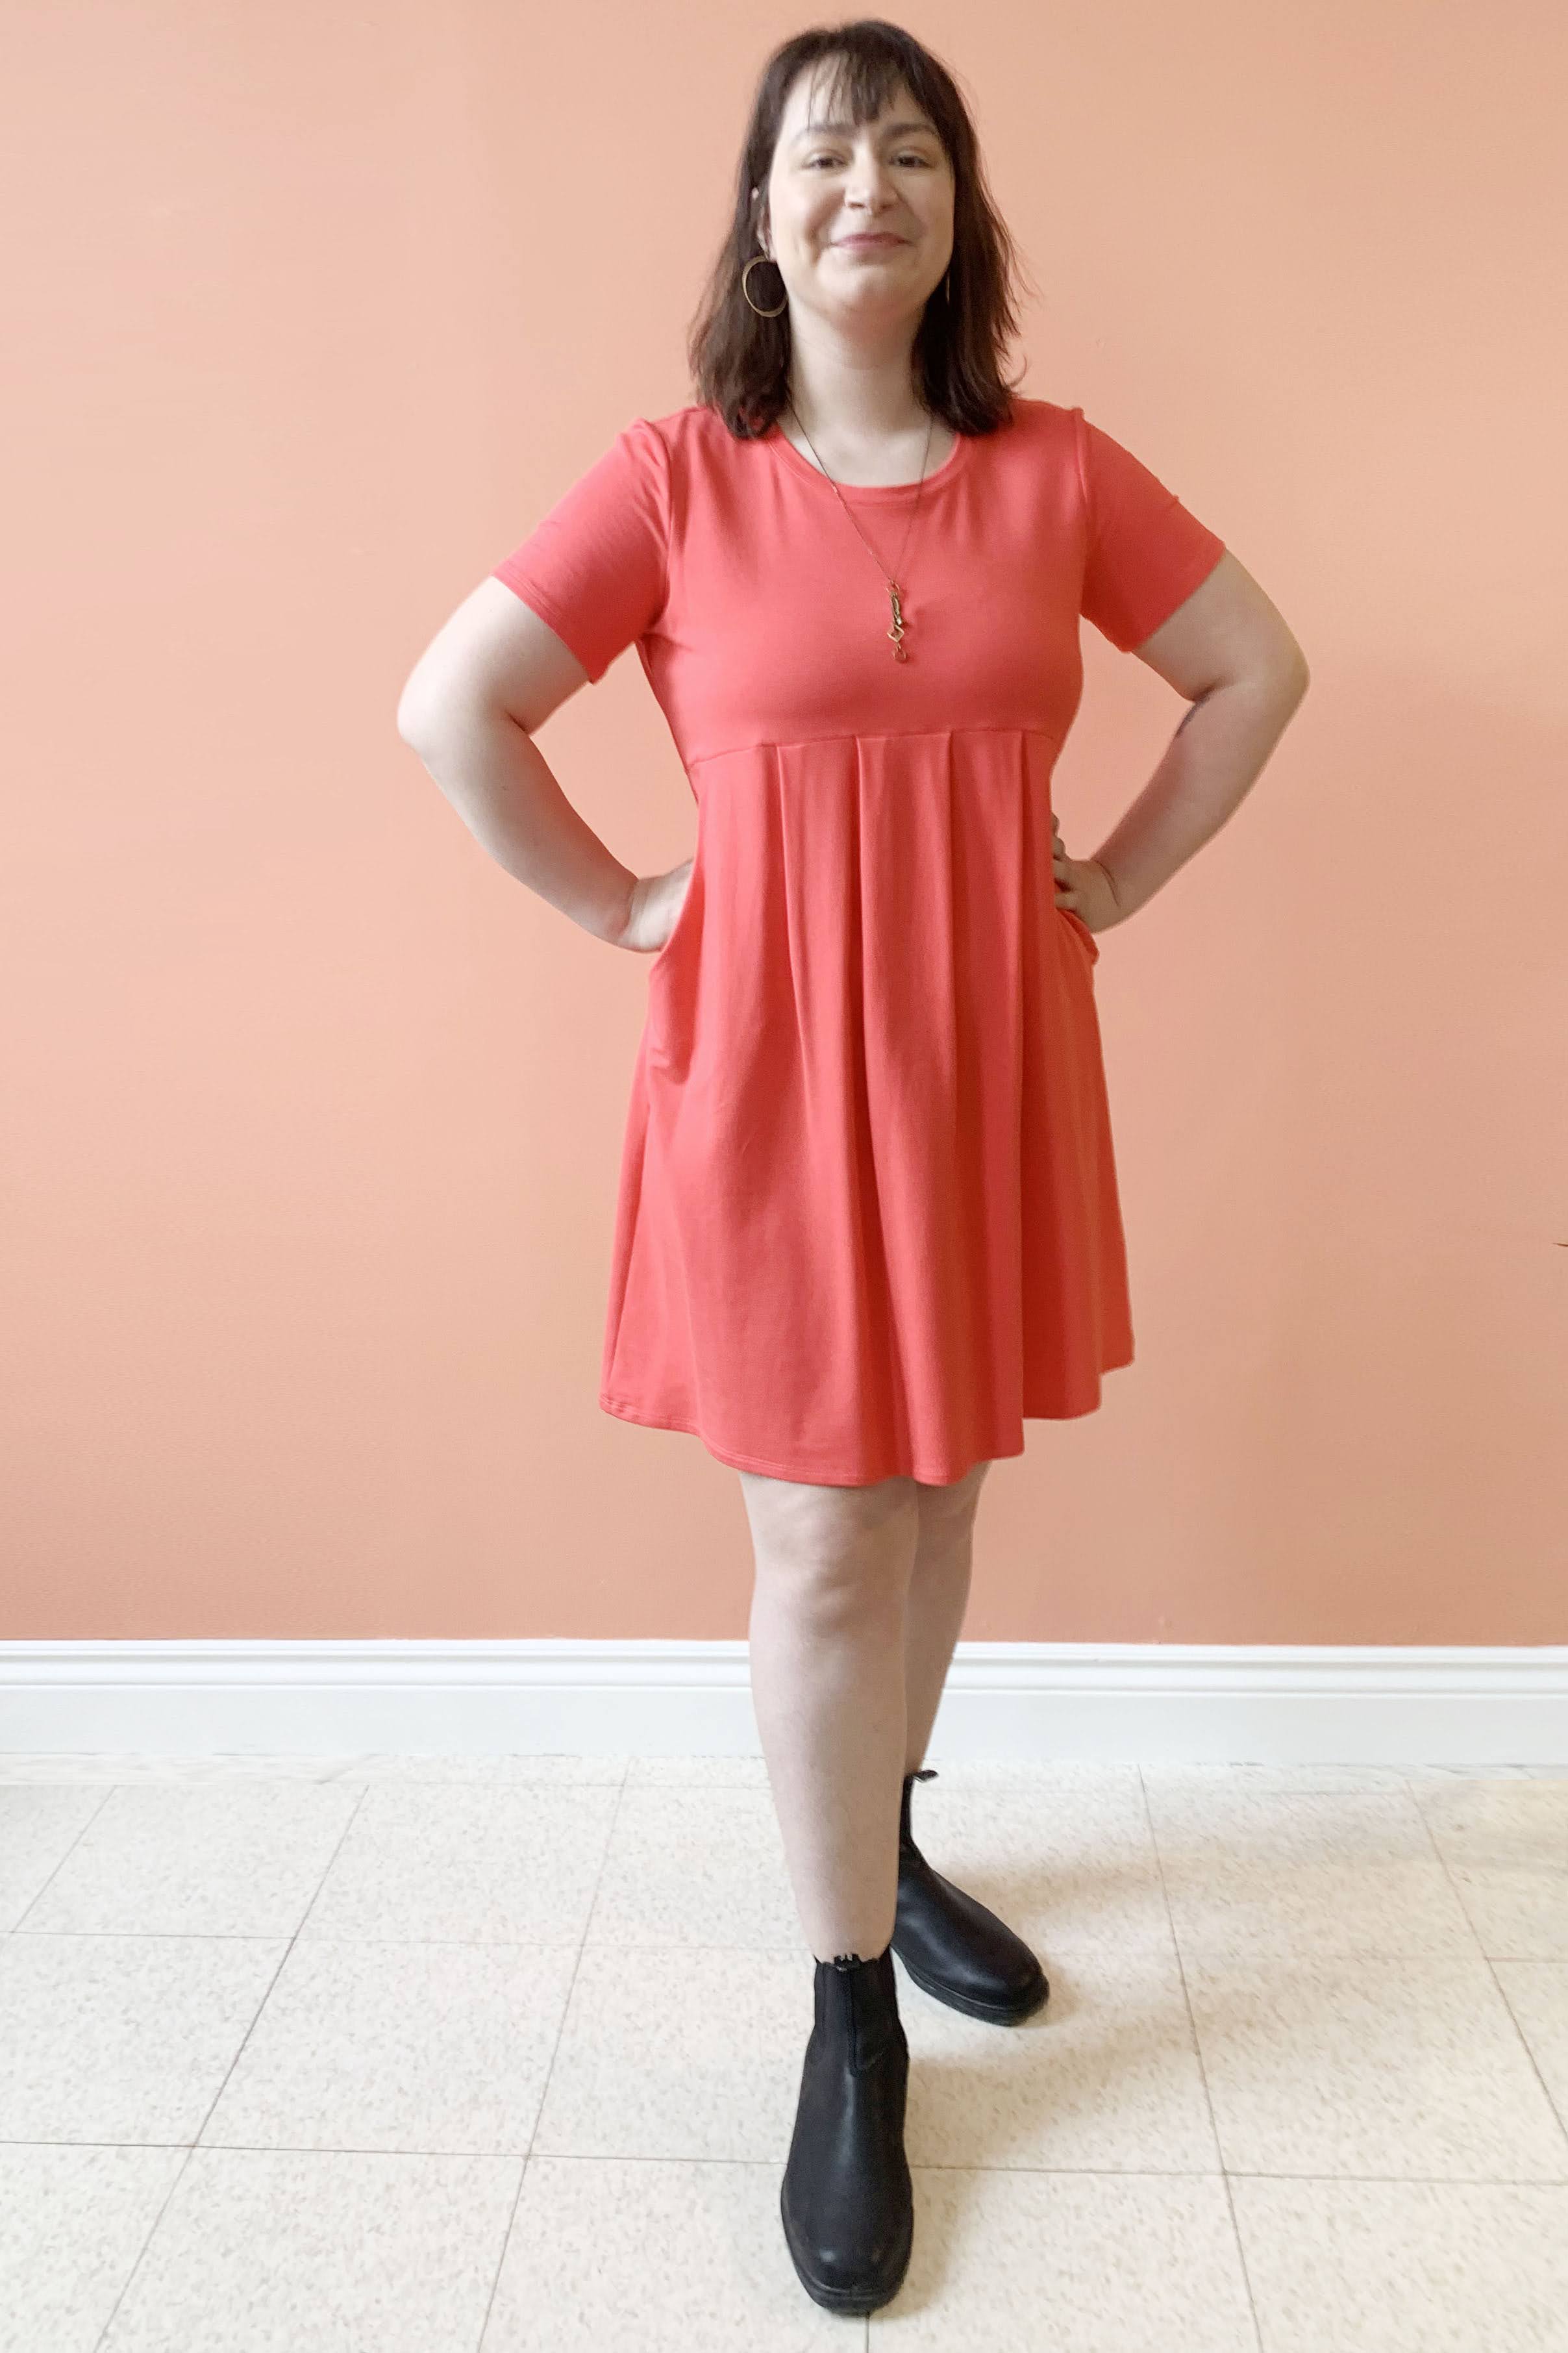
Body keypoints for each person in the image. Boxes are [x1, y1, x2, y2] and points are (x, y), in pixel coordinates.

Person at [397, 19, 1310, 2318]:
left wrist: (1119, 876)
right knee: (822, 1540)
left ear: (957, 210)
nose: (867, 185)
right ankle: (848, 2025)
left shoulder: (1059, 472)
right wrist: (625, 903)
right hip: (775, 1084)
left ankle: (886, 1857)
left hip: (987, 1064)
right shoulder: (673, 481)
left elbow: (1256, 669)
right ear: (765, 219)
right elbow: (452, 706)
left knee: (941, 1495)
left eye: (909, 150)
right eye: (823, 155)